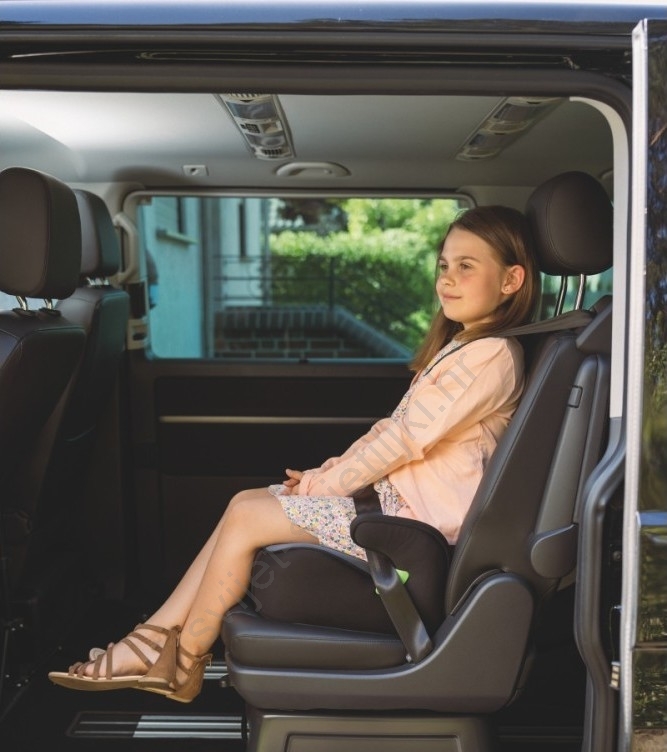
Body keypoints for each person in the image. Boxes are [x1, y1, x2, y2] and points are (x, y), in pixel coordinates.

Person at [48, 205, 540, 702]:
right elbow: (390, 430)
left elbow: (404, 440)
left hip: (417, 530)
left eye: (466, 266)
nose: (447, 278)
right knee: (244, 503)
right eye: (443, 265)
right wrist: (323, 473)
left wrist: (324, 486)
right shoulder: (464, 347)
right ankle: (156, 640)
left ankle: (183, 657)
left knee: (248, 518)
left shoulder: (491, 354)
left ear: (511, 280)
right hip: (397, 507)